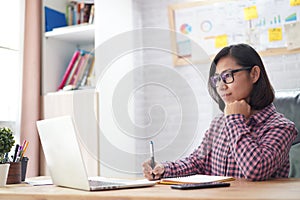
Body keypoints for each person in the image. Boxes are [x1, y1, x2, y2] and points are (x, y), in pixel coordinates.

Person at [142, 43, 298, 181]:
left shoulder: (282, 127)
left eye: (228, 76)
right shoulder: (219, 123)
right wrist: (164, 169)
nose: (221, 86)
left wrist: (235, 119)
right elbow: (198, 162)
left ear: (254, 74)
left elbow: (255, 170)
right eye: (217, 79)